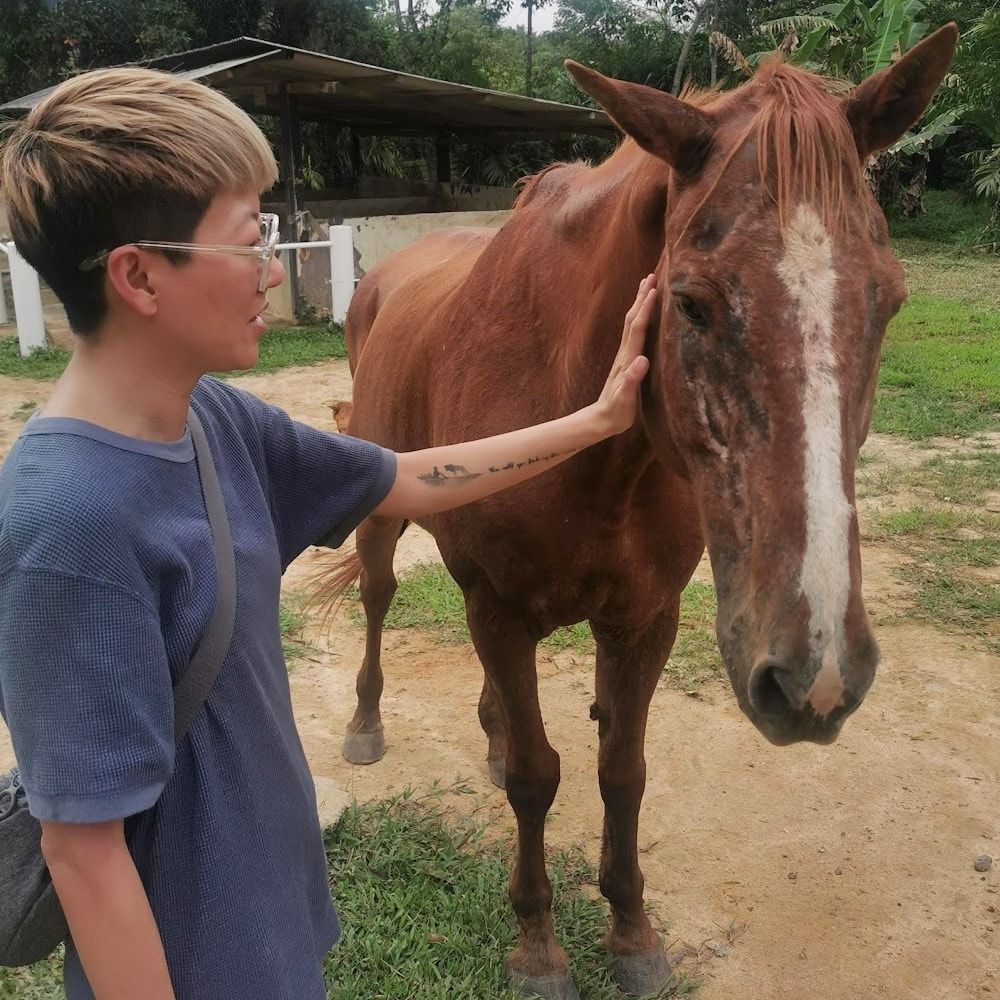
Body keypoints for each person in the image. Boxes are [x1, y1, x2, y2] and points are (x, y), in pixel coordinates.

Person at [0, 67, 657, 1000]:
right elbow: (83, 852)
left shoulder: (213, 420)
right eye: (250, 242)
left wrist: (595, 421)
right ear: (138, 275)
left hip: (272, 918)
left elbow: (408, 476)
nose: (273, 271)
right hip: (194, 962)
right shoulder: (67, 526)